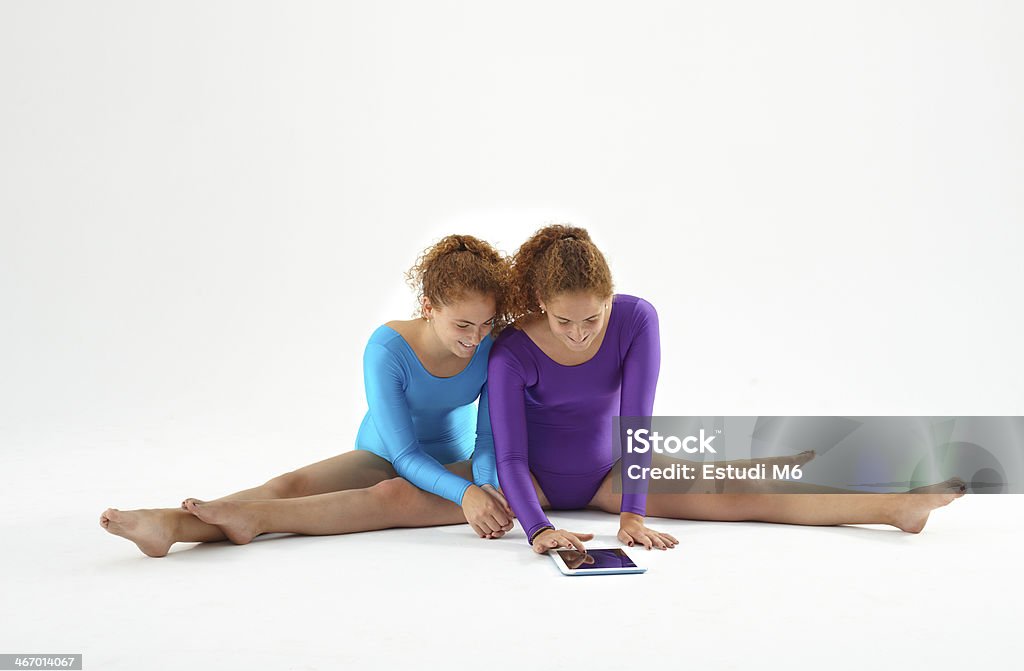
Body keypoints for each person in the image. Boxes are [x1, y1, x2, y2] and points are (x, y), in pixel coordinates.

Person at [486, 225, 967, 555]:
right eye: (563, 320)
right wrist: (538, 529)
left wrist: (632, 514)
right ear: (541, 303)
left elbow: (636, 425)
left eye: (592, 317)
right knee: (412, 502)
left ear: (610, 296)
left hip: (609, 472)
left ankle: (897, 509)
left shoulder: (635, 320)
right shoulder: (512, 351)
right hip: (529, 482)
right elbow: (508, 458)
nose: (579, 332)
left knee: (746, 490)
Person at [100, 235, 516, 556]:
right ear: (428, 307)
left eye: (485, 324)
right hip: (384, 453)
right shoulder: (387, 349)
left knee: (382, 498)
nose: (475, 337)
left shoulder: (491, 347)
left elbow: (488, 441)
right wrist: (465, 495)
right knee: (289, 484)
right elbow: (404, 457)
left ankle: (225, 523)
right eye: (463, 325)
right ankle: (168, 526)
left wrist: (483, 486)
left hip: (449, 459)